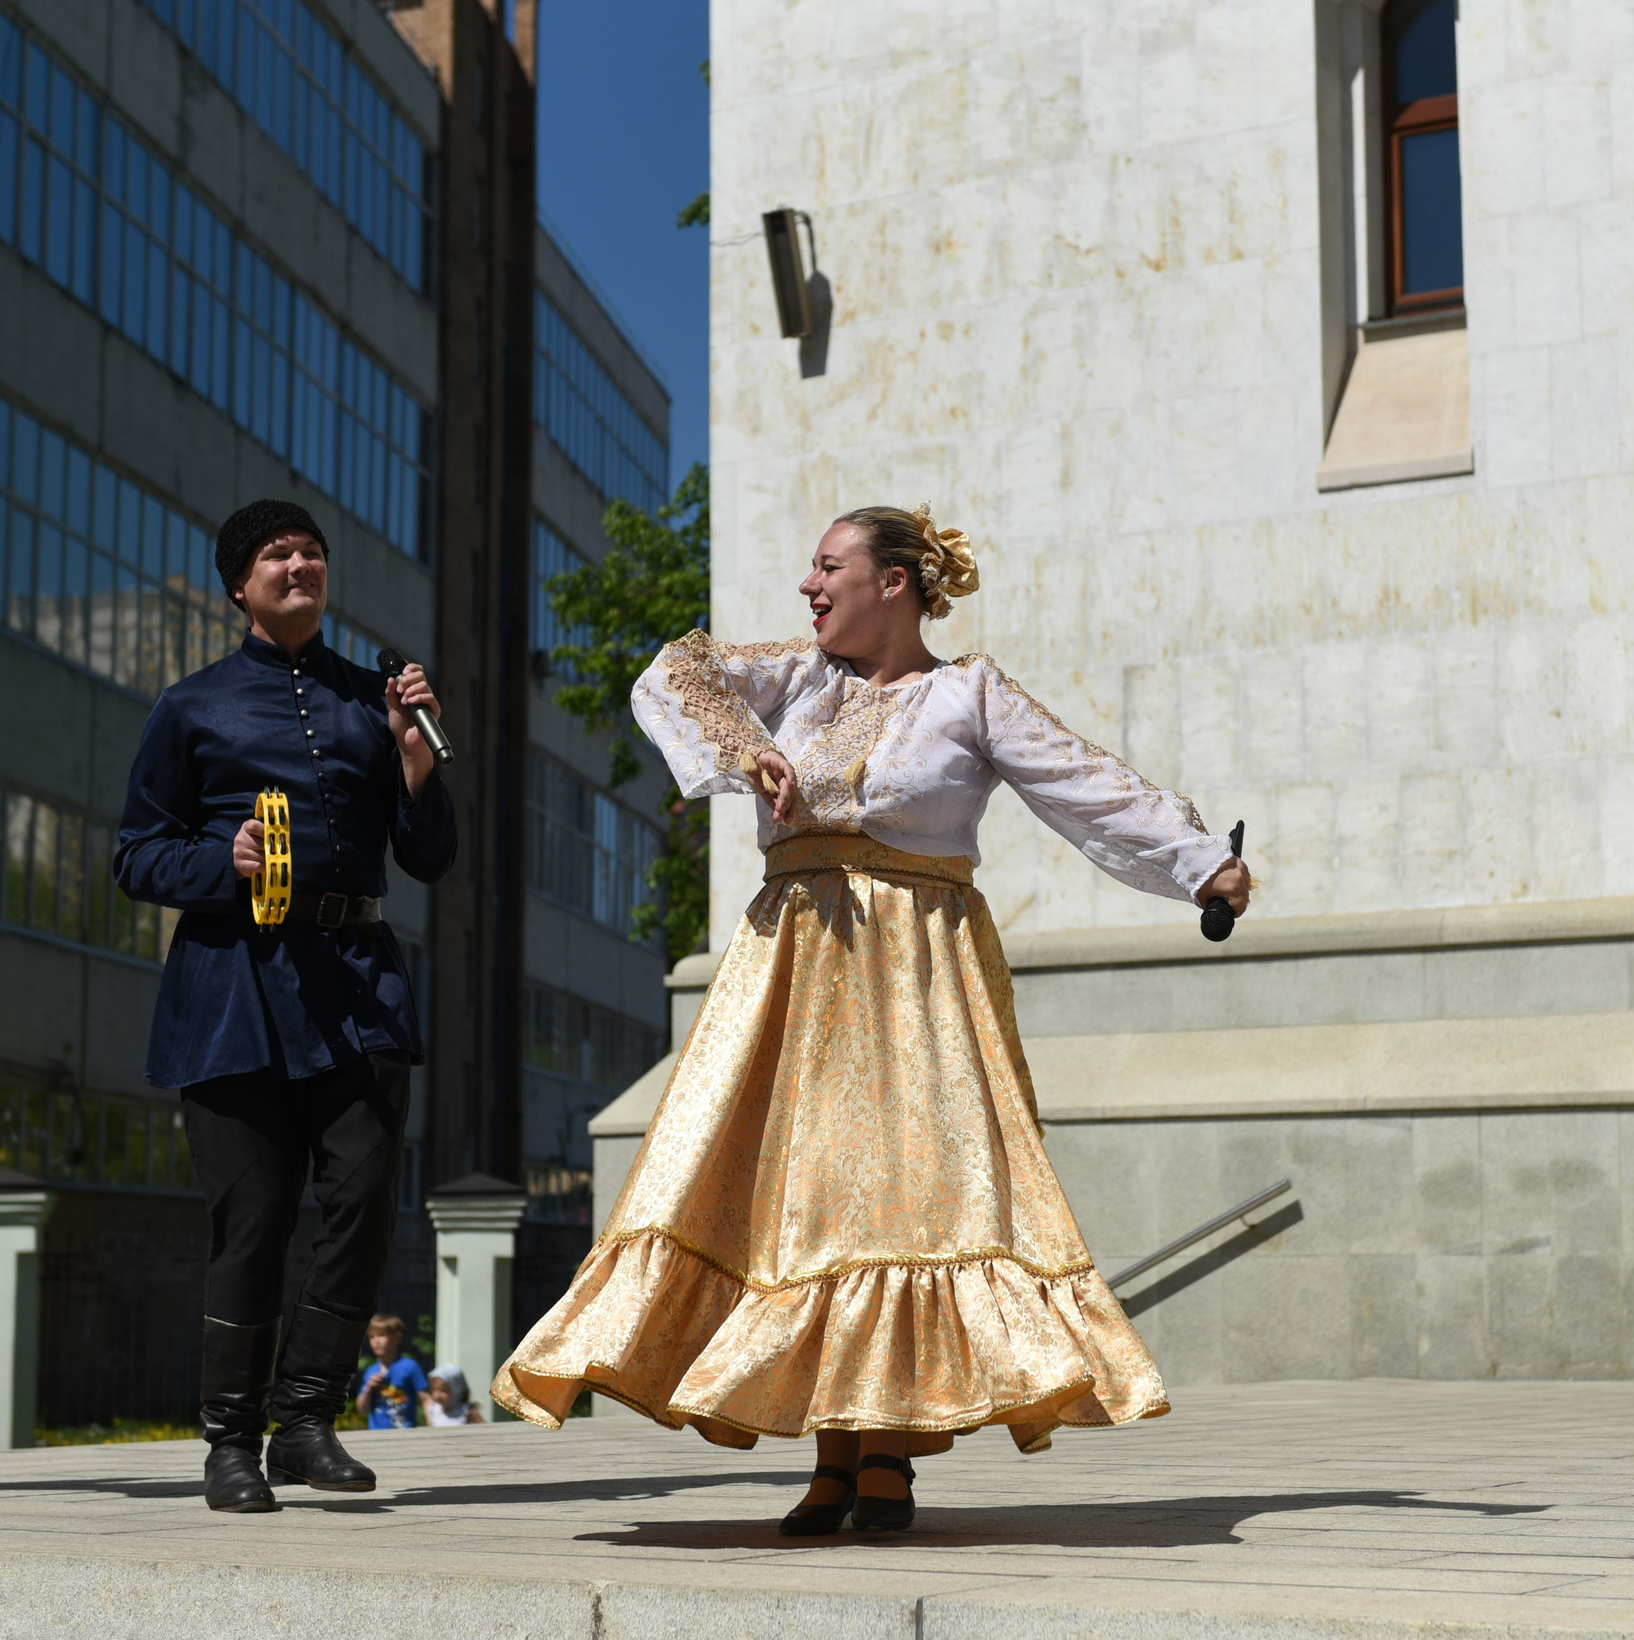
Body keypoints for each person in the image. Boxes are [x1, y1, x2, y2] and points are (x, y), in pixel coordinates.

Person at [493, 506, 1252, 1535]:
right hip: (793, 967)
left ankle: (883, 1449)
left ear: (894, 581)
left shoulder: (965, 692)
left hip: (915, 975)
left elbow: (1085, 783)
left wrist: (1200, 860)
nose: (809, 586)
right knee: (805, 1205)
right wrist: (744, 749)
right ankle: (833, 1452)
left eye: (828, 565)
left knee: (902, 1202)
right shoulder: (797, 677)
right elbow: (674, 670)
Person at [115, 499, 456, 1514]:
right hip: (233, 989)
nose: (300, 563)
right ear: (240, 583)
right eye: (277, 553)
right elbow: (134, 853)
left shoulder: (374, 697)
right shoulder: (192, 705)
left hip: (356, 981)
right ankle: (232, 1440)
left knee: (360, 1203)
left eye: (310, 550)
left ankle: (306, 1419)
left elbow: (429, 857)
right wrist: (219, 860)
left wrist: (416, 761)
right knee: (252, 1221)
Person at [357, 1315, 427, 1430]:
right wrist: (369, 1389)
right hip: (376, 1435)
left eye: (381, 1335)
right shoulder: (371, 1371)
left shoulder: (410, 1366)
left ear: (397, 1337)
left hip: (404, 1434)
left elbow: (426, 1399)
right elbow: (362, 1410)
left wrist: (432, 1427)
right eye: (372, 1337)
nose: (376, 1341)